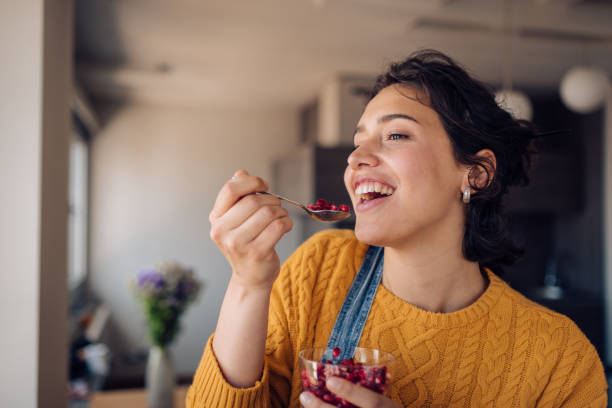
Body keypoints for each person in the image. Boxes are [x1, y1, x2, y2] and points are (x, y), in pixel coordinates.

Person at [186, 50, 608, 407]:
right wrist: (247, 283)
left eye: (395, 135)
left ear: (476, 174)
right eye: (358, 141)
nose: (356, 158)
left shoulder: (560, 360)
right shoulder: (319, 269)